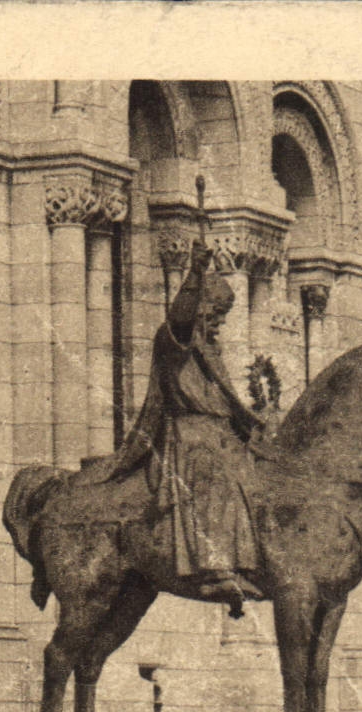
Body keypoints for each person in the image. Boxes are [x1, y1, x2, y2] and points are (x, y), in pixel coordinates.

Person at [77, 240, 264, 615]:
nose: (220, 321)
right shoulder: (173, 339)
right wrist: (194, 273)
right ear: (200, 307)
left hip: (219, 434)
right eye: (217, 312)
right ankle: (214, 566)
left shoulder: (211, 351)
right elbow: (180, 317)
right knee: (213, 472)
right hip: (189, 436)